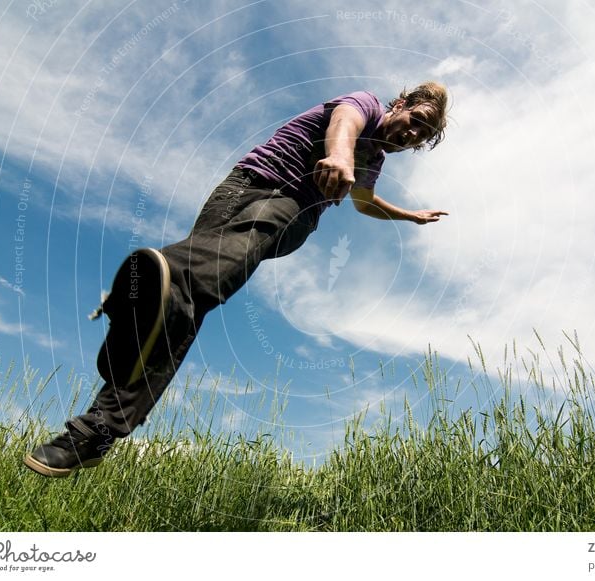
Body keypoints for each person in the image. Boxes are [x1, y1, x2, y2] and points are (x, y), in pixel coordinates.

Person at [23, 81, 450, 477]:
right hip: (244, 189)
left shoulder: (373, 161)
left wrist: (409, 216)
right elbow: (345, 122)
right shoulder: (366, 105)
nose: (413, 134)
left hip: (290, 211)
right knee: (188, 301)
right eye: (416, 120)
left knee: (189, 278)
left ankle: (134, 298)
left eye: (424, 135)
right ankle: (94, 434)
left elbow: (364, 202)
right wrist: (338, 155)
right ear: (399, 106)